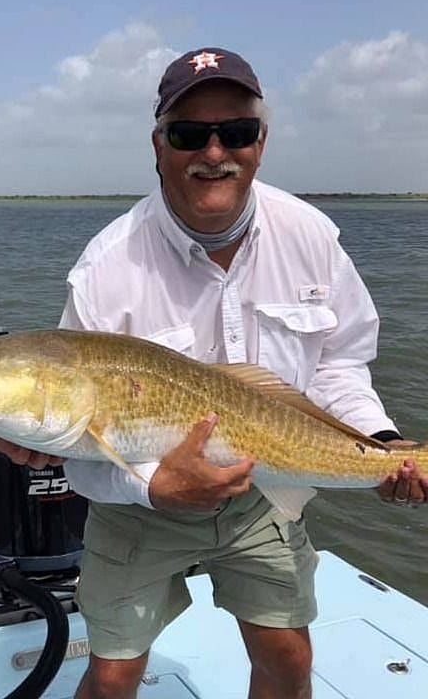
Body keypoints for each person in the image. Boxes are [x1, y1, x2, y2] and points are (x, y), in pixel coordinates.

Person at [41, 47, 427, 699]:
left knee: (288, 658)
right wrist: (156, 488)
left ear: (261, 143)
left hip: (263, 494)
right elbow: (83, 456)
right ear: (158, 145)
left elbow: (339, 361)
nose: (215, 151)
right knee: (112, 673)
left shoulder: (309, 235)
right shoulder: (104, 269)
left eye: (237, 132)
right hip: (141, 504)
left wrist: (381, 445)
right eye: (191, 134)